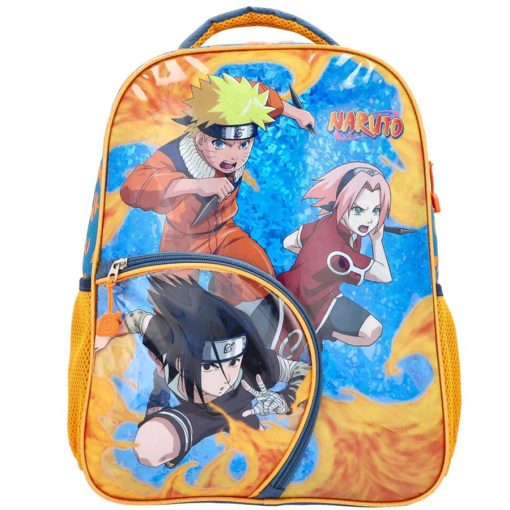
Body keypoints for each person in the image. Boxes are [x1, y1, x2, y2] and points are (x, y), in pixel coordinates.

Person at [120, 74, 314, 300]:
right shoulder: (177, 155)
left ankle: (233, 311)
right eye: (220, 144)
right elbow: (132, 188)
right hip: (182, 240)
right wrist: (196, 185)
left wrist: (297, 113)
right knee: (173, 300)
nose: (234, 156)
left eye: (244, 144)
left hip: (225, 232)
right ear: (201, 140)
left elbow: (261, 98)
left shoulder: (244, 112)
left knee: (258, 274)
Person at [95, 275, 310, 468]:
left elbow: (302, 370)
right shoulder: (166, 339)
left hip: (243, 411)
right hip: (196, 413)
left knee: (270, 457)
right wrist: (109, 332)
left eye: (233, 362)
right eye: (209, 366)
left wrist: (286, 398)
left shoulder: (255, 368)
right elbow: (139, 320)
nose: (226, 377)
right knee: (150, 447)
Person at [278, 162, 392, 347]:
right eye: (358, 210)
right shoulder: (341, 252)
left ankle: (321, 330)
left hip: (285, 288)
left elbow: (289, 242)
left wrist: (316, 259)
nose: (369, 219)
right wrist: (377, 240)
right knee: (373, 331)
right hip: (315, 305)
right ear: (342, 201)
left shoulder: (327, 222)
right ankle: (324, 330)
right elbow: (384, 276)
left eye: (376, 210)